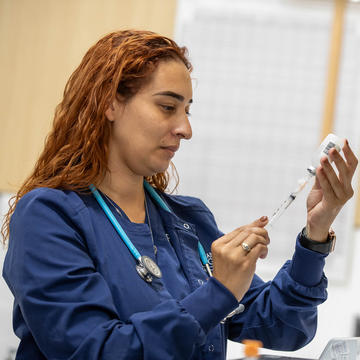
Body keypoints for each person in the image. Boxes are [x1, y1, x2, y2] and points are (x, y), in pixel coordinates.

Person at [1, 29, 358, 360]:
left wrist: (315, 235)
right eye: (167, 107)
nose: (185, 129)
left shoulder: (186, 221)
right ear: (110, 104)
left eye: (187, 110)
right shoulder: (49, 216)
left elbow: (282, 326)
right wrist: (218, 292)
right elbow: (96, 350)